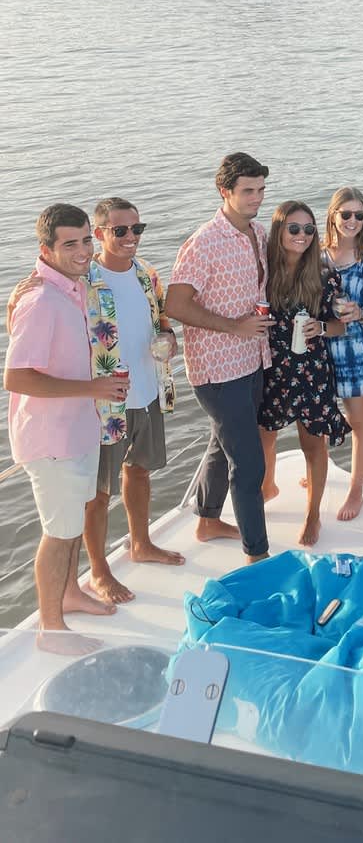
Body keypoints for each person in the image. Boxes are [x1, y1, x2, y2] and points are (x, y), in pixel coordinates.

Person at [3, 204, 128, 654]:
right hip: (52, 440)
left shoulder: (72, 287)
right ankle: (50, 630)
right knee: (57, 535)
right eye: (69, 244)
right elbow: (17, 377)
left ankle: (71, 594)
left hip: (79, 429)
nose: (82, 252)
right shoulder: (40, 300)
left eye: (85, 241)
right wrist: (92, 386)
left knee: (72, 524)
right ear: (46, 249)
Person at [165, 152, 272, 566]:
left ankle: (207, 520)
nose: (256, 198)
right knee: (248, 464)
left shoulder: (258, 233)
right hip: (216, 368)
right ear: (224, 191)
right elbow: (175, 303)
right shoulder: (203, 242)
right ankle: (257, 556)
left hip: (252, 360)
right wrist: (233, 326)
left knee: (219, 444)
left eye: (261, 190)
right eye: (248, 191)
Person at [82, 198, 184, 604]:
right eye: (120, 230)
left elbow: (161, 321)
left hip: (147, 390)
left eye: (137, 230)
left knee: (140, 471)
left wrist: (169, 336)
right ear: (100, 233)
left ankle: (140, 543)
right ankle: (98, 571)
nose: (130, 238)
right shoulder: (84, 279)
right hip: (105, 401)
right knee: (99, 490)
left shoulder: (147, 275)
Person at [257, 200, 349, 546]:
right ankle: (268, 485)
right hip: (273, 371)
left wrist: (321, 327)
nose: (302, 236)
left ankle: (313, 518)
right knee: (264, 436)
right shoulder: (262, 273)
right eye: (294, 229)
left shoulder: (325, 275)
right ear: (279, 231)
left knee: (314, 445)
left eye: (309, 229)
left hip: (312, 372)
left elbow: (340, 327)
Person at [321, 186, 363, 520]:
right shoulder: (315, 255)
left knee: (360, 423)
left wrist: (361, 313)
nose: (353, 220)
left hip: (356, 349)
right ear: (333, 215)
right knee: (318, 417)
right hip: (319, 348)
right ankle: (321, 468)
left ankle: (356, 490)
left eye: (360, 215)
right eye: (346, 214)